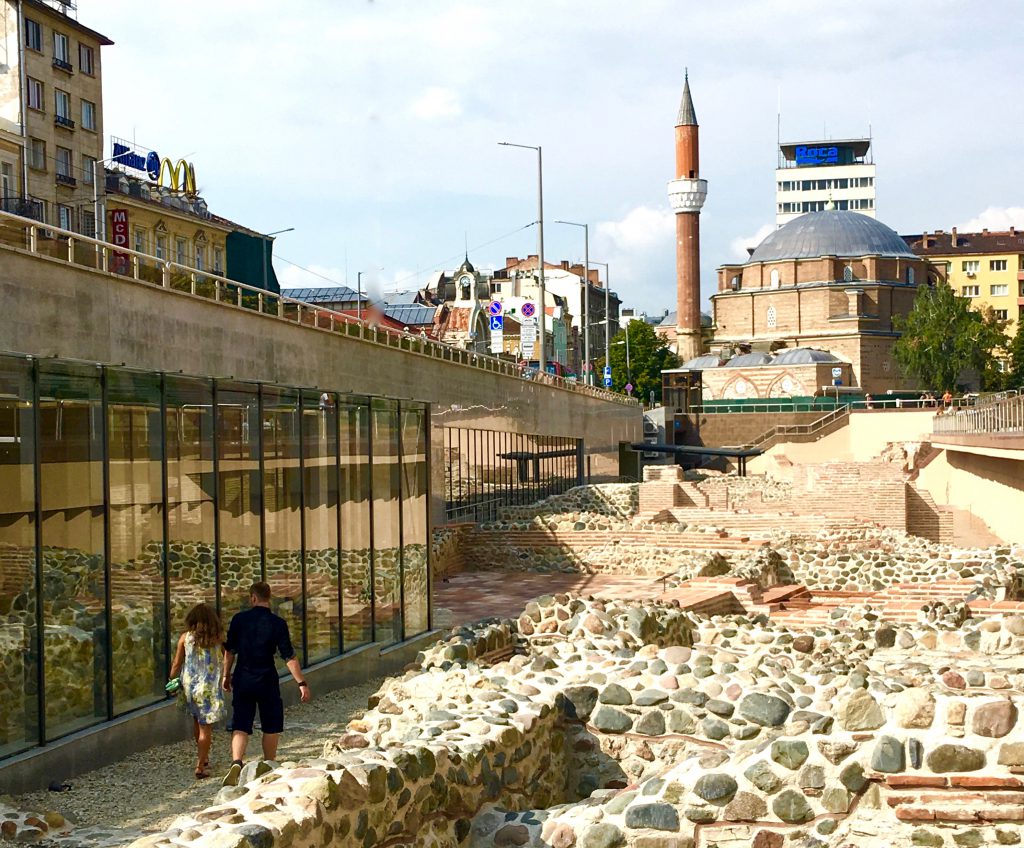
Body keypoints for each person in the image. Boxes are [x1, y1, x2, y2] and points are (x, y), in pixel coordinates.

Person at [221, 582, 311, 786]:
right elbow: (289, 656)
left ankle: (237, 762)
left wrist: (226, 675)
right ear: (268, 598)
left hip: (243, 677)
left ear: (253, 598)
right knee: (271, 724)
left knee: (241, 723)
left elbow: (230, 651)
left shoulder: (239, 620)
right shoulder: (277, 623)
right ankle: (269, 763)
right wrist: (301, 683)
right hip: (267, 679)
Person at [169, 603, 227, 779]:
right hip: (209, 688)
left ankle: (204, 756)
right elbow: (227, 657)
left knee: (197, 722)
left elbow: (177, 663)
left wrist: (172, 680)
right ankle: (200, 765)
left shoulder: (185, 638)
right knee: (205, 728)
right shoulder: (219, 639)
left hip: (190, 687)